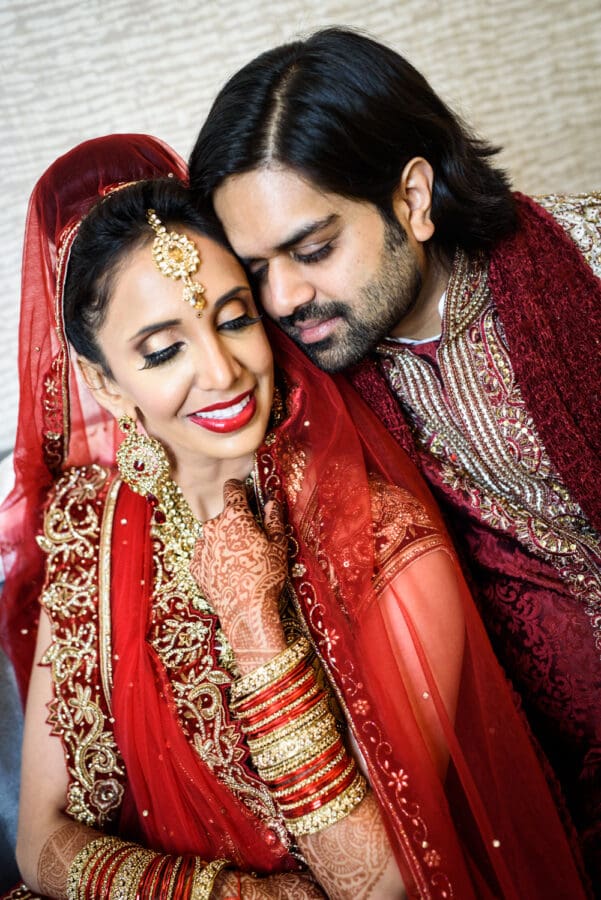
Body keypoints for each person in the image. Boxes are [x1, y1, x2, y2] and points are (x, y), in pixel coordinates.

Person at [0, 134, 588, 900]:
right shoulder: (88, 527)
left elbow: (379, 884)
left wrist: (255, 629)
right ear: (103, 384)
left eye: (233, 318)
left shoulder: (381, 541)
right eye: (161, 350)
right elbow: (38, 841)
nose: (220, 371)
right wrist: (228, 896)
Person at [188, 26, 601, 890]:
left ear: (412, 197)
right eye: (256, 272)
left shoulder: (586, 263)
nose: (284, 300)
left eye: (311, 250)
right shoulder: (304, 390)